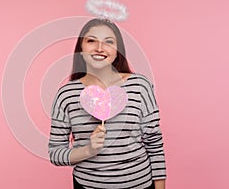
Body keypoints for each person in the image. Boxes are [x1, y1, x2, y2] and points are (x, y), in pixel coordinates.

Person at [48, 18, 166, 189]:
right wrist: (88, 150)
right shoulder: (66, 94)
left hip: (141, 184)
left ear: (118, 51)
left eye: (108, 42)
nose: (100, 48)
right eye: (91, 41)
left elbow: (154, 144)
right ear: (80, 49)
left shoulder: (140, 86)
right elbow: (55, 153)